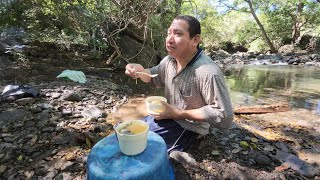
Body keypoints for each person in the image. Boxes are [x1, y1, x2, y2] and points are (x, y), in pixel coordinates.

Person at [125, 15, 233, 165]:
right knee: (128, 132)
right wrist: (139, 70)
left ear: (195, 40)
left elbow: (225, 117)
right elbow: (152, 76)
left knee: (143, 148)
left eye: (178, 34)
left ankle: (183, 148)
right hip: (168, 116)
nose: (170, 39)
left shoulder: (208, 72)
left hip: (189, 127)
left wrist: (179, 113)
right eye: (169, 33)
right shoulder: (169, 61)